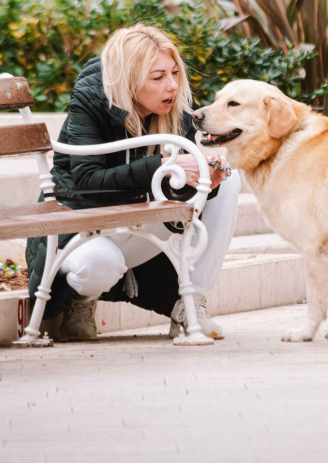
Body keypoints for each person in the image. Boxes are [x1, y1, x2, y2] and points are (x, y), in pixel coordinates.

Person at [25, 25, 240, 341]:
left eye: (175, 72)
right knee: (101, 264)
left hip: (137, 221)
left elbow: (171, 191)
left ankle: (191, 304)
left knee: (226, 184)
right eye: (158, 77)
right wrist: (162, 165)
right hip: (80, 223)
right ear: (129, 79)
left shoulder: (174, 101)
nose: (172, 85)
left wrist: (205, 180)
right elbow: (86, 182)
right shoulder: (91, 99)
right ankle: (81, 303)